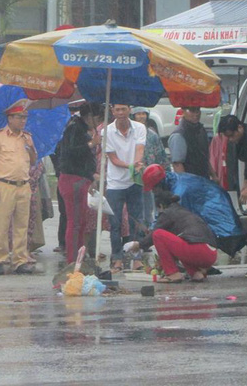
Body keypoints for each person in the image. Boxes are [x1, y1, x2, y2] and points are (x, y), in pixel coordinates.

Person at [0, 99, 37, 276]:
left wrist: (31, 149)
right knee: (1, 224)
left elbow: (33, 161)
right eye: (19, 117)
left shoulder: (27, 137)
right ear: (10, 118)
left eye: (25, 117)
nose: (23, 121)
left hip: (23, 184)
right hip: (4, 184)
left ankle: (19, 260)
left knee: (21, 225)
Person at [127, 190, 217, 283]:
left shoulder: (167, 213)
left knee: (158, 234)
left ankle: (173, 274)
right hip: (211, 254)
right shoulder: (183, 211)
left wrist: (139, 245)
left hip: (198, 252)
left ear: (161, 206)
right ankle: (196, 274)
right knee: (182, 241)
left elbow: (153, 235)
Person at [103, 104, 146, 273]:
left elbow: (140, 149)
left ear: (129, 110)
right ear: (113, 112)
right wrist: (131, 165)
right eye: (117, 110)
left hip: (134, 182)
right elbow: (113, 159)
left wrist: (137, 164)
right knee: (115, 223)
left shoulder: (140, 128)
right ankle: (117, 259)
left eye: (124, 109)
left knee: (136, 221)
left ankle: (136, 258)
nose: (120, 113)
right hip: (115, 184)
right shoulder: (106, 131)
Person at [58, 103, 101, 263]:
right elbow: (71, 152)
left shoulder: (83, 130)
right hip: (72, 179)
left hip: (83, 178)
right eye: (96, 118)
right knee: (75, 222)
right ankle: (72, 259)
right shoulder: (74, 128)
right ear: (89, 117)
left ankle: (79, 257)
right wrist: (91, 144)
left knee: (81, 222)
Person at [131, 107, 168, 227]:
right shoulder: (130, 134)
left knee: (149, 207)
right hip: (134, 175)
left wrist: (164, 172)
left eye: (143, 114)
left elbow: (160, 154)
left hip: (150, 177)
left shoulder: (152, 135)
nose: (141, 116)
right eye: (138, 114)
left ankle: (147, 230)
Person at [168, 107, 217, 181]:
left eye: (198, 110)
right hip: (190, 184)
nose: (196, 114)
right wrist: (186, 185)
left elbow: (204, 157)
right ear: (183, 111)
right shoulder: (178, 135)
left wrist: (214, 175)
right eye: (192, 110)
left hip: (203, 181)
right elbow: (177, 165)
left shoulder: (201, 130)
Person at [217, 115, 247, 206]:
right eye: (228, 137)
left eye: (232, 135)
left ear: (240, 127)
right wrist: (246, 181)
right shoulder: (242, 139)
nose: (230, 139)